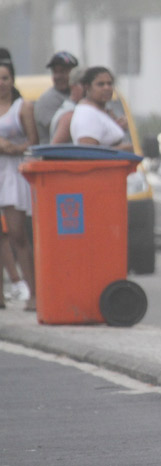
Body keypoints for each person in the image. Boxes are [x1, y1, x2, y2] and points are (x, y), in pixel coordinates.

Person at [0, 48, 39, 311]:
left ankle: (34, 293)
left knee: (17, 234)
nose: (1, 83)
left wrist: (13, 148)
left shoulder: (21, 107)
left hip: (13, 172)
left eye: (5, 78)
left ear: (12, 80)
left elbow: (33, 141)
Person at [69, 66, 132, 151]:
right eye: (100, 84)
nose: (107, 88)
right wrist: (123, 149)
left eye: (109, 84)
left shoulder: (100, 111)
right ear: (87, 87)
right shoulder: (87, 114)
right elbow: (88, 153)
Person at [33, 51, 79, 144]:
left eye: (63, 71)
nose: (58, 76)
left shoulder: (81, 95)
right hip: (54, 156)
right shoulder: (47, 100)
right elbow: (63, 130)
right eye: (55, 72)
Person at [50, 66, 86, 143]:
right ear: (73, 87)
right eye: (85, 85)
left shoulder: (79, 109)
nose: (89, 89)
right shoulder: (70, 114)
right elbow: (55, 147)